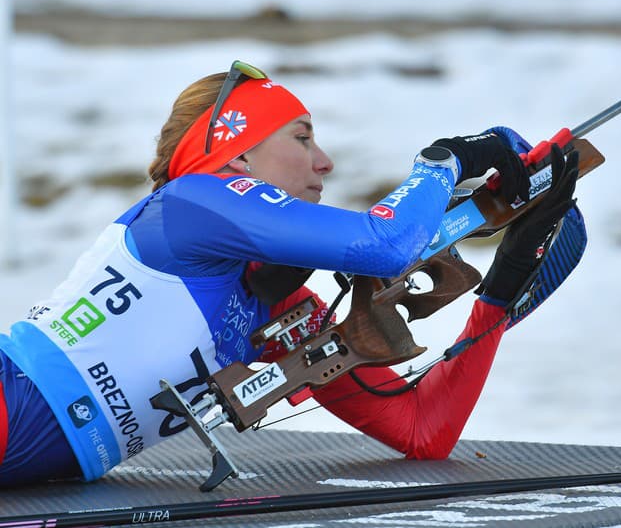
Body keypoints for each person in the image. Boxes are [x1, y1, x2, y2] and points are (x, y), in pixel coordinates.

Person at [0, 61, 579, 486]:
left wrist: (504, 287)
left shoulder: (278, 304)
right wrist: (447, 161)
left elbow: (421, 429)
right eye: (301, 138)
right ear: (238, 157)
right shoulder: (192, 202)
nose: (324, 161)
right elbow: (384, 245)